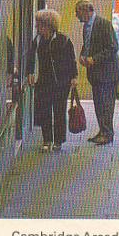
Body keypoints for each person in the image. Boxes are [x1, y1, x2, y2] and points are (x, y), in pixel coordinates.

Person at [26, 10, 78, 152]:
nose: (37, 28)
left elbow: (71, 60)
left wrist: (74, 77)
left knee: (59, 111)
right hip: (43, 82)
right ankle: (47, 139)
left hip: (61, 82)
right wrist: (30, 72)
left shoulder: (64, 40)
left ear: (48, 25)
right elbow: (30, 58)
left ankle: (58, 141)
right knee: (44, 111)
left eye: (39, 25)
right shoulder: (37, 41)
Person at [75, 0, 119, 145]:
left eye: (78, 12)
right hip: (95, 73)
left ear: (86, 10)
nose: (76, 15)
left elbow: (112, 47)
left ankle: (107, 133)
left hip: (108, 73)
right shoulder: (86, 27)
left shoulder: (103, 24)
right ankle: (102, 130)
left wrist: (94, 59)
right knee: (99, 104)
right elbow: (88, 44)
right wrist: (83, 55)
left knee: (106, 104)